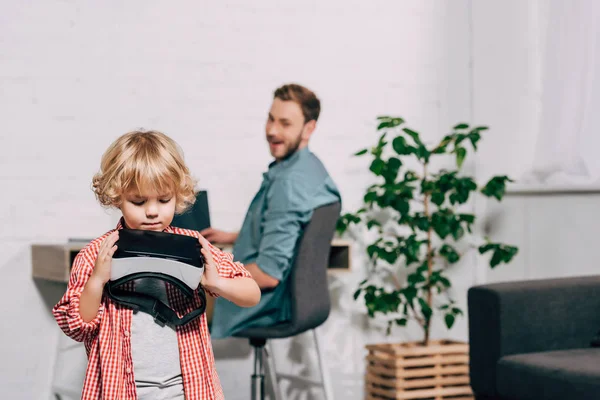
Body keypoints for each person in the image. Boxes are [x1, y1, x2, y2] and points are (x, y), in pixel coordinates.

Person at [52, 130, 261, 400]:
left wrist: (217, 283)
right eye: (138, 201)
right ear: (117, 197)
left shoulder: (194, 245)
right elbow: (77, 326)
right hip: (121, 391)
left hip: (188, 390)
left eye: (164, 200)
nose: (152, 211)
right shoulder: (95, 254)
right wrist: (97, 281)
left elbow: (252, 294)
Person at [202, 84, 341, 339]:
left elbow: (267, 274)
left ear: (309, 129)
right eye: (271, 118)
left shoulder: (288, 184)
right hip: (299, 302)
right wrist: (234, 237)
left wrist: (209, 271)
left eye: (285, 124)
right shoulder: (311, 169)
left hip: (266, 306)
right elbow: (290, 231)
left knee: (168, 293)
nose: (272, 130)